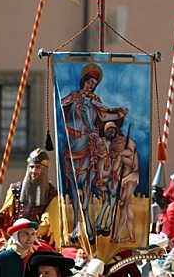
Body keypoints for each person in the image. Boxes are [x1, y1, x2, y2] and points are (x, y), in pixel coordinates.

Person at [60, 63, 128, 244]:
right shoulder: (75, 97)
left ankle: (100, 176)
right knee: (74, 189)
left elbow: (104, 115)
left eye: (94, 83)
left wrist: (118, 114)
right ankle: (77, 226)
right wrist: (70, 98)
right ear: (83, 81)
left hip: (91, 136)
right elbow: (61, 104)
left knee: (102, 148)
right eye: (90, 82)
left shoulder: (94, 99)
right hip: (74, 138)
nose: (91, 85)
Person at [100, 121, 139, 244]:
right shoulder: (111, 145)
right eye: (107, 132)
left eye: (110, 130)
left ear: (115, 129)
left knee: (123, 204)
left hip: (131, 175)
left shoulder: (127, 141)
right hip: (120, 178)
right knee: (125, 207)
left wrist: (121, 155)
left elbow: (132, 160)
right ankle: (132, 236)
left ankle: (116, 236)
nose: (109, 133)